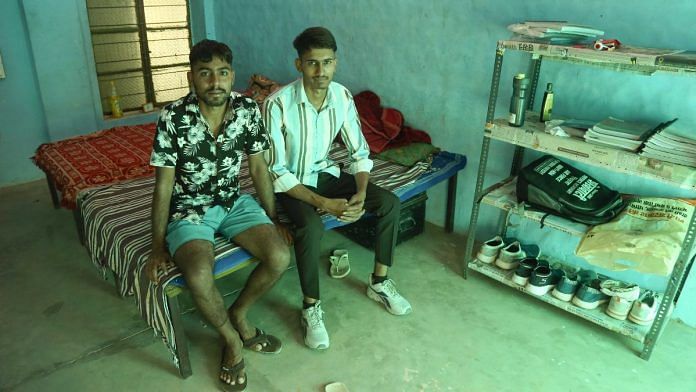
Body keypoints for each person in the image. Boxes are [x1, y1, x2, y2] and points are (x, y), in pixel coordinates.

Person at [146, 39, 292, 391]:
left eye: (222, 73)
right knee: (197, 273)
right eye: (205, 74)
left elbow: (258, 169)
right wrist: (156, 246)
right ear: (191, 78)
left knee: (279, 255)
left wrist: (272, 218)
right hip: (189, 209)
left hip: (232, 201)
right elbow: (164, 187)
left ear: (232, 76)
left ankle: (239, 314)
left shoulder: (247, 109)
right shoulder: (173, 117)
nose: (215, 82)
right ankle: (231, 339)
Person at [263, 27, 412, 351]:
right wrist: (324, 203)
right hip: (292, 185)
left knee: (388, 202)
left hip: (326, 172)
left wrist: (360, 191)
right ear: (298, 64)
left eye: (327, 63)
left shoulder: (342, 97)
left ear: (336, 63)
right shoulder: (277, 104)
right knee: (311, 225)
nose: (320, 72)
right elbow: (276, 172)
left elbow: (359, 152)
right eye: (312, 63)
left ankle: (380, 282)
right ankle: (311, 307)